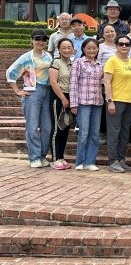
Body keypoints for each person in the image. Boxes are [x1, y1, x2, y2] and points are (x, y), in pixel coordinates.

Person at [6, 29, 53, 168]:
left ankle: (42, 155)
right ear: (31, 40)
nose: (40, 42)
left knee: (47, 127)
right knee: (32, 126)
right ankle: (34, 157)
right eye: (37, 39)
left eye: (43, 39)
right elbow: (10, 72)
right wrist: (17, 91)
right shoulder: (26, 57)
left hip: (47, 92)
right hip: (33, 92)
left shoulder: (48, 56)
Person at [103, 35, 131, 173]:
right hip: (116, 101)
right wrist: (110, 101)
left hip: (130, 101)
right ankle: (113, 161)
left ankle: (121, 159)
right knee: (114, 132)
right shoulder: (112, 61)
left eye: (127, 44)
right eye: (121, 44)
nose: (124, 46)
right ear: (116, 46)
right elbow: (106, 82)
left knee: (124, 132)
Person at [70, 38, 103, 171]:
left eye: (94, 48)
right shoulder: (78, 62)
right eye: (88, 48)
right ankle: (80, 161)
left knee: (95, 134)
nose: (91, 50)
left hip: (97, 102)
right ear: (83, 49)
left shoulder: (100, 65)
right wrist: (73, 104)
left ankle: (90, 162)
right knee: (83, 133)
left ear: (97, 49)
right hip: (83, 102)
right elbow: (73, 84)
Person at [48, 38, 74, 170]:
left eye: (69, 47)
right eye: (63, 47)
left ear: (73, 49)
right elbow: (53, 82)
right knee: (57, 129)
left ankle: (61, 157)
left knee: (65, 128)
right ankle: (55, 159)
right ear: (59, 49)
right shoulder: (56, 62)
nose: (66, 50)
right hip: (58, 97)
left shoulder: (72, 63)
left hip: (70, 97)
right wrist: (63, 98)